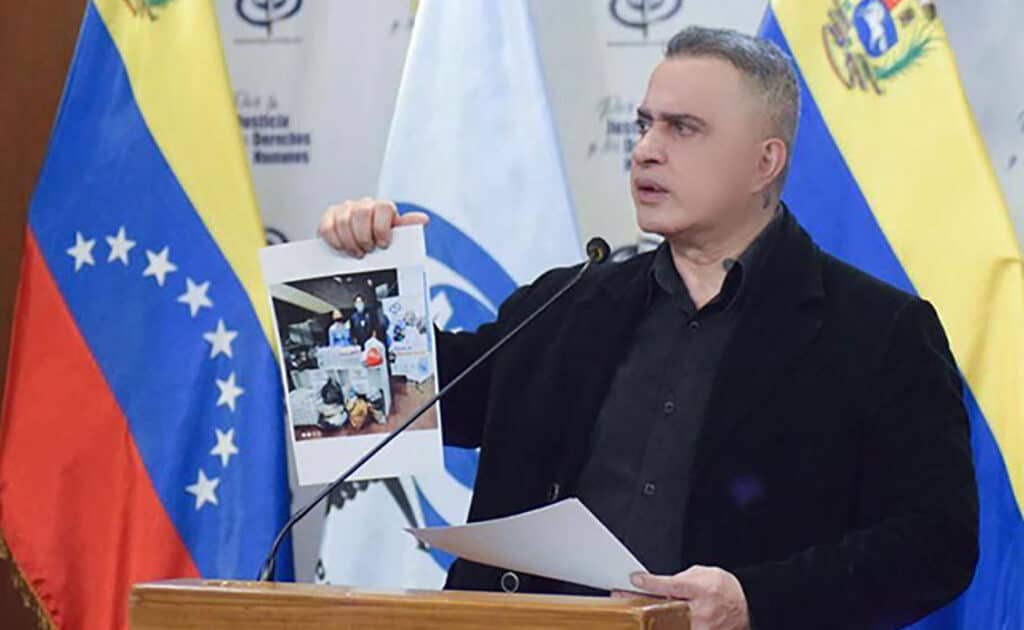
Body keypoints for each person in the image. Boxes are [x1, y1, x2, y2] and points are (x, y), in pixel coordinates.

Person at [317, 27, 977, 630]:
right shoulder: (565, 305)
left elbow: (935, 546)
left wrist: (753, 600)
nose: (645, 151)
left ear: (764, 162)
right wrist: (352, 280)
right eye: (643, 126)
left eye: (683, 128)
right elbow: (371, 412)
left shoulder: (879, 331)